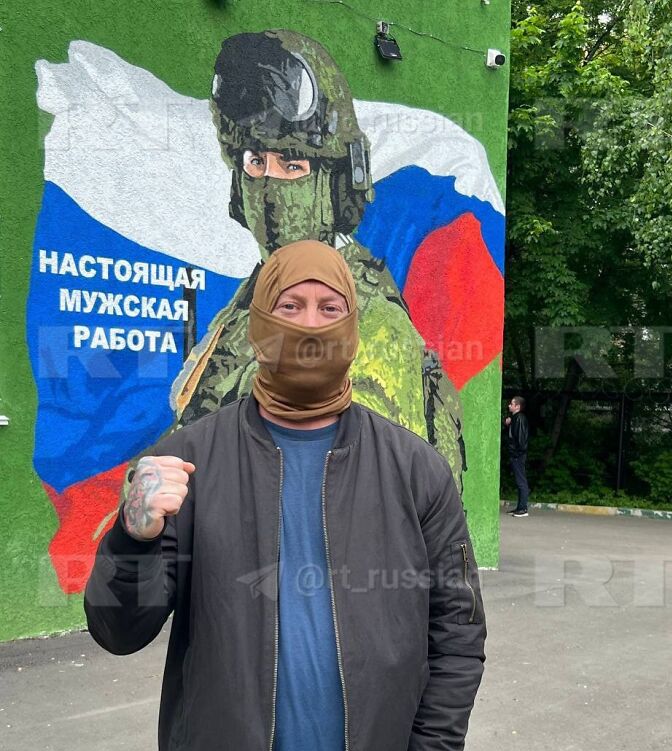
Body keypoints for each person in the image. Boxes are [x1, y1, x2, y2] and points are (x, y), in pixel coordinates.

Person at [84, 240, 487, 751]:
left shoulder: (415, 470)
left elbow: (458, 640)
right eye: (289, 305)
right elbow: (119, 631)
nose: (308, 324)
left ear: (353, 327)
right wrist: (132, 536)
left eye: (329, 307)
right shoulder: (188, 458)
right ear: (257, 326)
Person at [152, 30, 467, 493]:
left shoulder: (365, 324)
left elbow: (355, 511)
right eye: (255, 162)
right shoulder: (250, 306)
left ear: (336, 185)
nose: (269, 186)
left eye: (293, 166)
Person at [505, 396, 529, 517]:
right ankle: (520, 507)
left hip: (517, 455)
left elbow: (520, 440)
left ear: (517, 406)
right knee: (519, 481)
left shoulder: (519, 419)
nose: (509, 405)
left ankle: (523, 508)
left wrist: (517, 453)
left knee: (521, 481)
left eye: (512, 404)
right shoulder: (515, 419)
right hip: (516, 454)